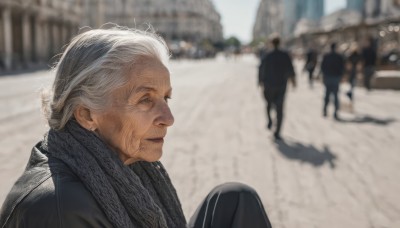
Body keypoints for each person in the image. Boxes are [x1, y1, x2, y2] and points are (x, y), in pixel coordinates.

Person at [0, 26, 272, 228]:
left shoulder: (115, 160)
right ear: (86, 114)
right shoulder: (59, 209)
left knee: (235, 199)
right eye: (145, 99)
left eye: (166, 98)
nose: (168, 117)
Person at [258, 36, 296, 140]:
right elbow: (291, 68)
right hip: (281, 85)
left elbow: (261, 69)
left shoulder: (267, 55)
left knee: (269, 104)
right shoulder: (284, 55)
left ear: (271, 43)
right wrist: (293, 81)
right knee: (279, 108)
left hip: (269, 85)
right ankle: (277, 132)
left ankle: (270, 121)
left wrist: (260, 82)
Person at [321, 43, 345, 120]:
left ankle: (325, 110)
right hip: (336, 78)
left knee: (327, 94)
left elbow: (322, 67)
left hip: (328, 77)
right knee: (335, 95)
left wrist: (324, 76)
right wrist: (341, 76)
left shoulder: (326, 56)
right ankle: (335, 112)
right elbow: (342, 67)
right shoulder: (339, 57)